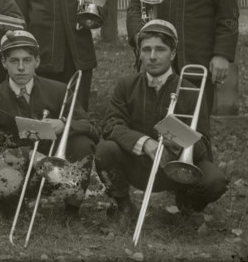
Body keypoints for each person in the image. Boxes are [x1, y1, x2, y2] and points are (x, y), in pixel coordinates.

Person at [95, 20, 227, 223]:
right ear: (139, 53)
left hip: (178, 170)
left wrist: (180, 141)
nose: (153, 56)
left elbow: (204, 147)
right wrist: (145, 143)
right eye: (146, 49)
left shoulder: (192, 92)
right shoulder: (126, 85)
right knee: (104, 150)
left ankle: (188, 205)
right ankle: (124, 205)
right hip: (137, 165)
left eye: (160, 49)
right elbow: (111, 125)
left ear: (173, 54)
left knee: (214, 180)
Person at [0, 30, 98, 217]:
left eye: (27, 60)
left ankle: (71, 208)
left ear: (37, 61)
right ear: (4, 63)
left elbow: (90, 126)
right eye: (14, 61)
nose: (21, 67)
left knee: (82, 143)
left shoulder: (59, 90)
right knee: (6, 210)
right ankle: (11, 202)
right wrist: (27, 154)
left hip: (57, 166)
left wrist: (63, 123)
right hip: (16, 166)